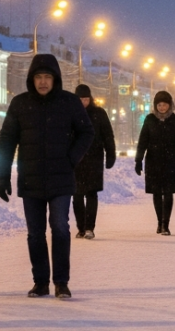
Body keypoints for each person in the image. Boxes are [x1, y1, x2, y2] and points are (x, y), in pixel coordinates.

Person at [0, 54, 94, 299]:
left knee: (60, 227)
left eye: (47, 77)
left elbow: (86, 132)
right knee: (35, 232)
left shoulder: (69, 102)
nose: (42, 82)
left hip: (61, 178)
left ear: (55, 79)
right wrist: (3, 175)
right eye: (38, 77)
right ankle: (40, 282)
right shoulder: (20, 104)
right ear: (31, 79)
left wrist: (71, 158)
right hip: (30, 178)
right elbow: (7, 141)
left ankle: (61, 282)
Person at [135, 91, 175, 235]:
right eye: (159, 104)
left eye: (164, 104)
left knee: (169, 192)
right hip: (153, 161)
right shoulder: (149, 119)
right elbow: (143, 141)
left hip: (172, 162)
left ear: (170, 105)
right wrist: (138, 160)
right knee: (157, 193)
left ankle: (166, 224)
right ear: (155, 105)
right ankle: (160, 222)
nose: (162, 107)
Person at [72, 84, 116, 240]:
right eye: (80, 99)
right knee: (76, 196)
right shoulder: (69, 114)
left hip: (94, 159)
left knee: (91, 194)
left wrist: (111, 154)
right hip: (75, 161)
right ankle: (81, 227)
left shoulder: (99, 114)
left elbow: (108, 136)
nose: (83, 102)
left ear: (90, 99)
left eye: (86, 99)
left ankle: (90, 227)